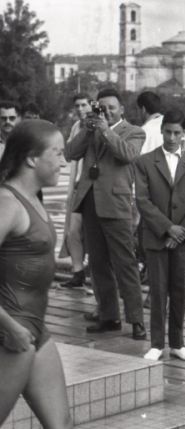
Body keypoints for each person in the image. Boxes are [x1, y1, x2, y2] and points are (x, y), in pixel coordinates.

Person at [0, 119, 89, 429]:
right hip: (11, 338)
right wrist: (8, 326)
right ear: (32, 159)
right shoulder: (7, 203)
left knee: (61, 427)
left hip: (36, 333)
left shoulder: (32, 198)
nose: (64, 162)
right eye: (58, 153)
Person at [65, 87, 147, 339]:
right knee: (97, 263)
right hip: (89, 201)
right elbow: (70, 153)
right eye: (102, 108)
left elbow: (127, 154)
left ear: (122, 109)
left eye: (112, 107)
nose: (107, 112)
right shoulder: (90, 129)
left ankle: (136, 319)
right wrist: (88, 130)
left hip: (116, 204)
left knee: (125, 264)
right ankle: (109, 316)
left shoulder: (134, 131)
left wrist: (104, 130)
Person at [135, 108, 185, 362]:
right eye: (168, 132)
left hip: (183, 240)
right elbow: (143, 200)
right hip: (157, 237)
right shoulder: (145, 161)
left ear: (184, 133)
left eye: (177, 133)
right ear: (162, 130)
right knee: (157, 290)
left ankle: (177, 343)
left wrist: (180, 233)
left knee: (179, 290)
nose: (172, 137)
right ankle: (156, 344)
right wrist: (168, 228)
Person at [59, 93, 93, 289]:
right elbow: (70, 154)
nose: (80, 109)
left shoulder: (99, 125)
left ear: (91, 105)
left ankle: (95, 275)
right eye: (77, 106)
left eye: (84, 105)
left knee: (92, 232)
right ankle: (77, 272)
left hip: (92, 187)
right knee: (73, 231)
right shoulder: (76, 127)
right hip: (77, 186)